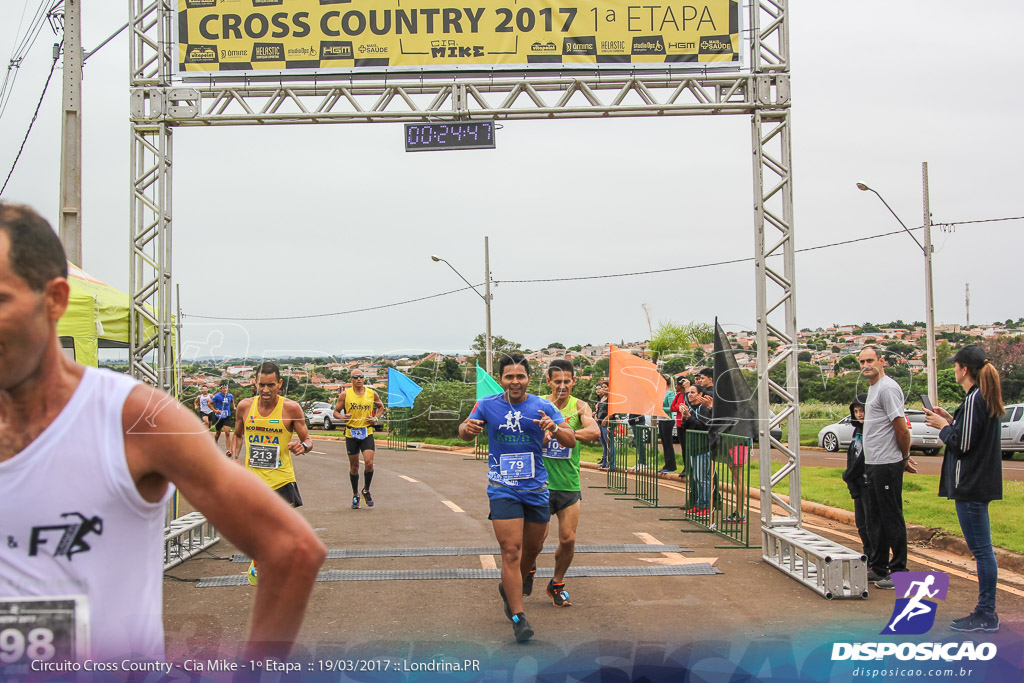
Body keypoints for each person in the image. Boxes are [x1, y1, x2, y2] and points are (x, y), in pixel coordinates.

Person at [0, 202, 325, 662]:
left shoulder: (137, 418)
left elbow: (292, 549)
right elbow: (235, 427)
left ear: (54, 300)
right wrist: (235, 447)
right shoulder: (243, 406)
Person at [458, 353, 575, 643]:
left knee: (531, 551)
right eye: (509, 376)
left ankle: (512, 585)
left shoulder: (543, 406)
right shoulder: (487, 405)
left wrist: (554, 427)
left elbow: (571, 439)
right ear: (501, 379)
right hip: (502, 486)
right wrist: (467, 429)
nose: (514, 382)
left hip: (535, 489)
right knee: (511, 550)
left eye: (520, 376)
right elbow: (464, 431)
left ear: (528, 379)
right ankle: (518, 616)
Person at [925, 344, 1004, 632]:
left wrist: (941, 427)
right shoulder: (984, 397)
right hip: (980, 483)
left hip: (970, 485)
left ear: (965, 369)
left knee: (982, 551)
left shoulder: (974, 399)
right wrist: (950, 420)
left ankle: (986, 612)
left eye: (955, 366)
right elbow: (970, 434)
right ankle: (987, 611)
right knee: (984, 550)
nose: (953, 369)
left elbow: (962, 444)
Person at [232, 361, 315, 585]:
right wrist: (233, 457)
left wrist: (303, 447)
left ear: (279, 384)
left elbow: (307, 439)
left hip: (281, 479)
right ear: (255, 384)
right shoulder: (244, 407)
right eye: (261, 385)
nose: (265, 390)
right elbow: (238, 435)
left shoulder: (291, 409)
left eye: (270, 385)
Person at [541, 360, 600, 608]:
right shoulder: (539, 404)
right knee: (536, 540)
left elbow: (594, 431)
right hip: (540, 485)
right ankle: (528, 570)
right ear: (549, 382)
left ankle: (556, 583)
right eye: (557, 381)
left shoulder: (580, 406)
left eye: (567, 381)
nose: (562, 386)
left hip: (568, 483)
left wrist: (562, 432)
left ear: (574, 381)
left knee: (568, 540)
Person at [858, 345, 916, 591]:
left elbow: (901, 427)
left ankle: (899, 569)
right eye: (861, 362)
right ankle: (879, 566)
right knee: (875, 518)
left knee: (891, 516)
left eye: (870, 360)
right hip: (874, 463)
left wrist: (904, 456)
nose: (865, 365)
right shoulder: (873, 388)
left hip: (887, 463)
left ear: (882, 362)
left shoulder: (888, 388)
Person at [333, 371, 384, 509]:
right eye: (356, 377)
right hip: (351, 433)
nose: (359, 379)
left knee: (369, 463)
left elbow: (381, 407)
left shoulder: (372, 393)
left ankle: (366, 490)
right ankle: (355, 494)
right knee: (354, 466)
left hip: (367, 432)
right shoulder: (345, 395)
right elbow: (335, 412)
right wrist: (342, 417)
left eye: (361, 377)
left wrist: (376, 418)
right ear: (351, 380)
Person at [841, 394, 873, 563]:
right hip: (857, 483)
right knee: (861, 525)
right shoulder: (857, 431)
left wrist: (848, 475)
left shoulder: (872, 430)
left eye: (862, 411)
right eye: (856, 411)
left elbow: (863, 459)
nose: (859, 414)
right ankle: (868, 556)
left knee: (870, 525)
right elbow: (852, 455)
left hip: (868, 483)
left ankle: (876, 560)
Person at [679, 384, 713, 516]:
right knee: (697, 478)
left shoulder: (703, 409)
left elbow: (702, 426)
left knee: (703, 478)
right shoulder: (692, 408)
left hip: (702, 448)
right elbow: (685, 426)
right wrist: (685, 415)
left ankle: (706, 506)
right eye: (689, 393)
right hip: (693, 447)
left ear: (700, 395)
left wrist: (688, 416)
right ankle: (699, 504)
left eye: (693, 392)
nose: (689, 395)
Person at [670, 376, 690, 478]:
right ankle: (685, 467)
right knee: (683, 447)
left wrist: (682, 407)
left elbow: (689, 405)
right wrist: (680, 407)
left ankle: (690, 467)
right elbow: (672, 407)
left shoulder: (688, 394)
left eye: (677, 385)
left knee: (688, 447)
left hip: (687, 423)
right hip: (679, 423)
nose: (676, 386)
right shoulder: (678, 395)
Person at [657, 377, 677, 474]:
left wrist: (661, 408)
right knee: (664, 443)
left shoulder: (670, 393)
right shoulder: (662, 392)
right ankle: (667, 463)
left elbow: (671, 408)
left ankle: (671, 465)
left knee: (668, 443)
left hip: (667, 420)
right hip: (661, 420)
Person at [595, 380, 616, 470]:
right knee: (603, 444)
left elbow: (613, 411)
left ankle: (612, 464)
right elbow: (599, 409)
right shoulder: (602, 398)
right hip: (600, 423)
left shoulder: (611, 398)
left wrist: (606, 419)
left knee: (609, 444)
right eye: (602, 387)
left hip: (608, 423)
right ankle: (604, 462)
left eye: (605, 387)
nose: (603, 389)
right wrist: (596, 416)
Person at [211, 384, 234, 456]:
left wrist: (234, 407)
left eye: (226, 388)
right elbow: (210, 404)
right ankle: (215, 442)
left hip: (227, 416)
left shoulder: (230, 395)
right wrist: (215, 410)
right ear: (221, 389)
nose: (225, 390)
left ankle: (228, 450)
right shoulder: (217, 396)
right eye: (223, 388)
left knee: (227, 432)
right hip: (219, 416)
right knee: (218, 433)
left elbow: (232, 401)